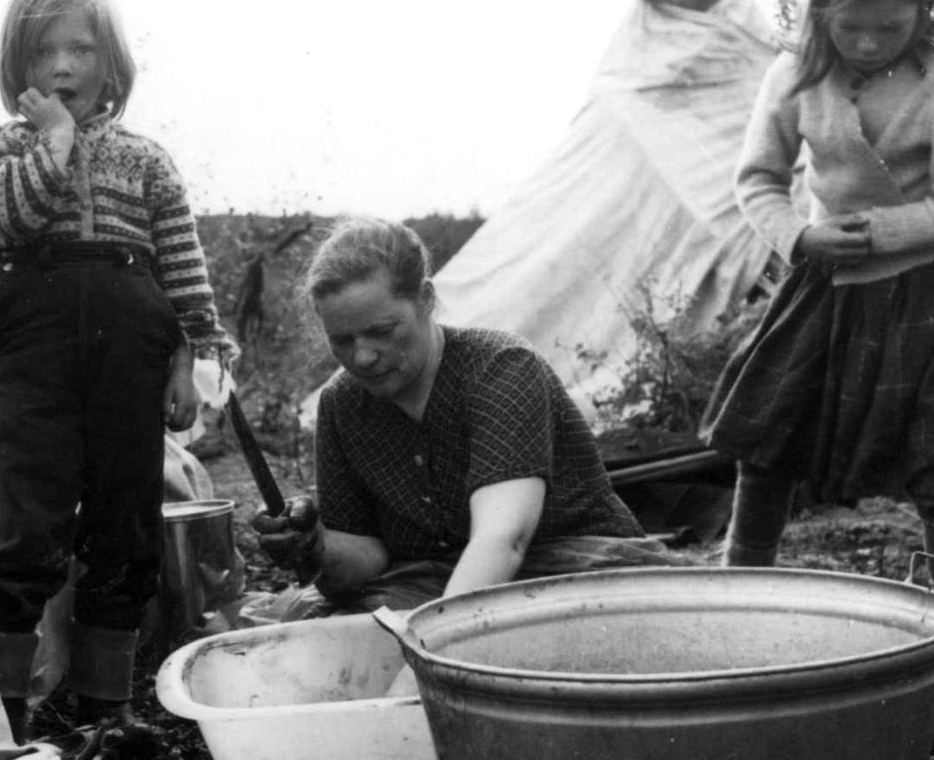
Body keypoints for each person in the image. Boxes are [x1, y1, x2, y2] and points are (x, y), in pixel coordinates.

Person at [0, 0, 236, 742]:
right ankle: (7, 715)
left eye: (81, 47)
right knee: (31, 517)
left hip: (129, 350)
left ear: (111, 63)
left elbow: (180, 266)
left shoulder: (146, 161)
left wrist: (188, 354)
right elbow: (18, 213)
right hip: (37, 351)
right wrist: (55, 138)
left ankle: (106, 711)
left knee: (126, 520)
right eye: (43, 49)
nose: (63, 65)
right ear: (19, 68)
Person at [702, 0, 934, 583]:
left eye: (890, 27)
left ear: (924, 8)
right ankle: (743, 576)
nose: (869, 43)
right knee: (767, 434)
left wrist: (880, 234)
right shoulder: (794, 77)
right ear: (821, 10)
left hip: (928, 289)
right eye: (850, 27)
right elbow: (759, 179)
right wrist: (802, 236)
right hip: (825, 284)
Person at [252, 217, 672, 621]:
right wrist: (314, 545)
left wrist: (425, 658)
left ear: (425, 299)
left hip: (580, 573)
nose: (362, 356)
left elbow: (502, 540)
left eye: (382, 330)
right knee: (317, 638)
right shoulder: (342, 405)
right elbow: (367, 558)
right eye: (342, 340)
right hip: (444, 584)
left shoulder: (502, 369)